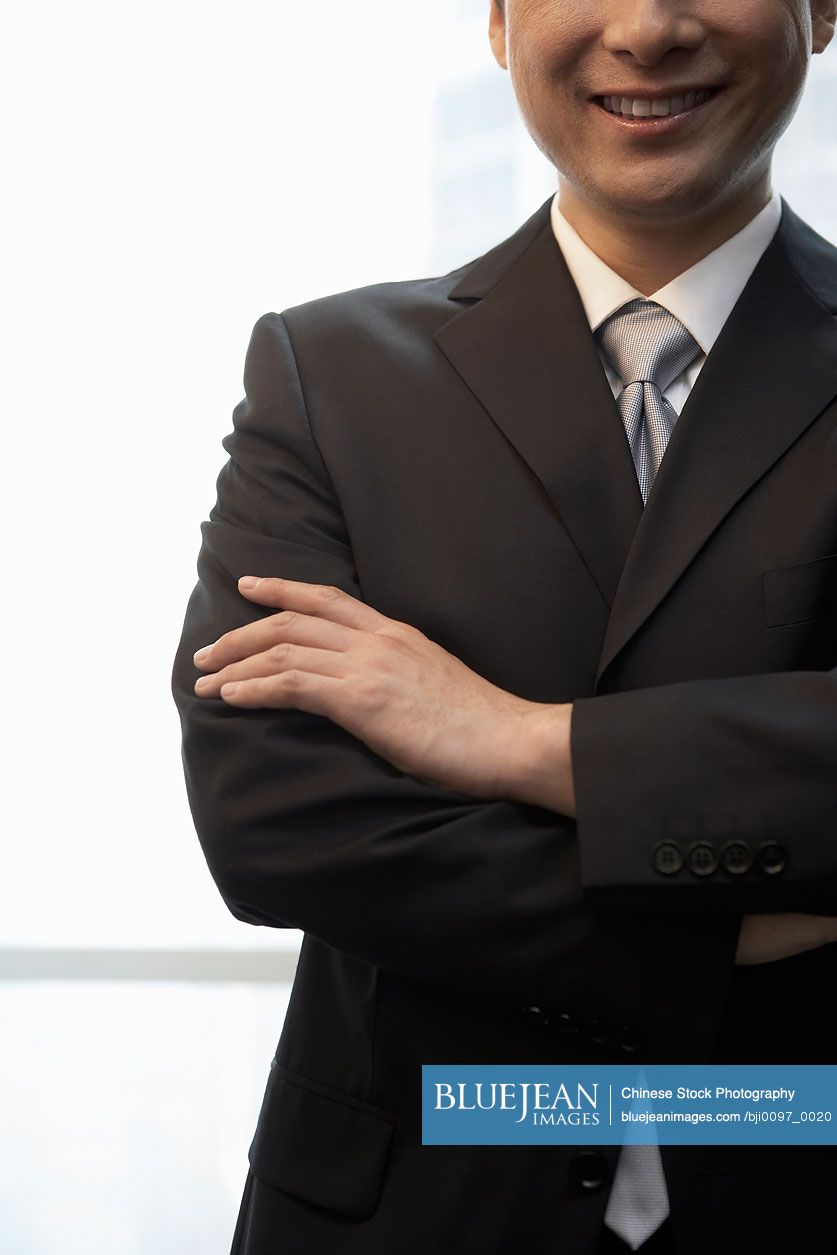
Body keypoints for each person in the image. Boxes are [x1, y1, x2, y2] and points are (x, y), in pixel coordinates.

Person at [170, 1, 837, 1251]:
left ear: (823, 13)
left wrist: (521, 742)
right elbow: (279, 820)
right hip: (411, 1204)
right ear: (497, 22)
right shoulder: (328, 373)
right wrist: (741, 930)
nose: (648, 28)